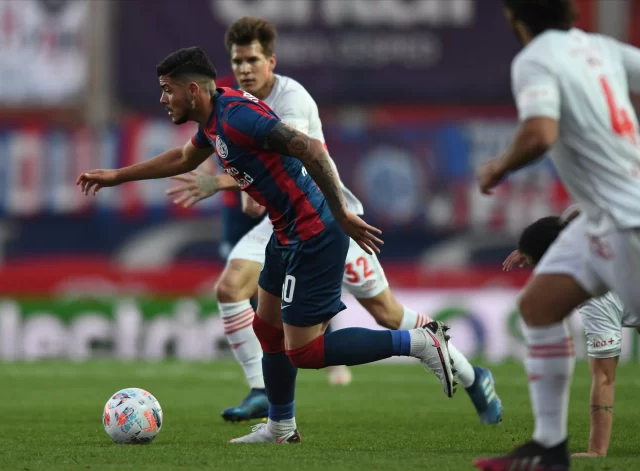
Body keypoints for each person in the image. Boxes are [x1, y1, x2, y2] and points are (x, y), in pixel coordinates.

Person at [77, 46, 457, 444]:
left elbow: (309, 148)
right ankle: (280, 428)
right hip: (285, 231)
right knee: (266, 327)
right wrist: (117, 176)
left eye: (166, 90)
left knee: (305, 352)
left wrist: (341, 213)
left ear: (192, 90)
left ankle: (420, 341)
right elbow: (184, 158)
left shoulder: (237, 117)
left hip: (314, 231)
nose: (161, 99)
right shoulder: (214, 118)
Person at [166, 16, 503, 425]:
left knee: (387, 313)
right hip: (281, 223)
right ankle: (262, 392)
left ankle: (471, 374)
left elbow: (290, 159)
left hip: (326, 214)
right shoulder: (231, 102)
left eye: (252, 59)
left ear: (271, 61)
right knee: (231, 287)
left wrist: (224, 182)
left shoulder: (293, 99)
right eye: (237, 61)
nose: (244, 69)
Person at [473, 0, 640, 471]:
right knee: (539, 307)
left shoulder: (533, 59)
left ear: (515, 19)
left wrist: (497, 167)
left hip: (635, 221)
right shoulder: (601, 47)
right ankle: (549, 446)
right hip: (597, 218)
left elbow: (541, 135)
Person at [504, 208, 640, 458]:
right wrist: (534, 245)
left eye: (536, 266)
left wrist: (596, 450)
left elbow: (605, 376)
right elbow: (575, 215)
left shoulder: (595, 295)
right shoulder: (598, 241)